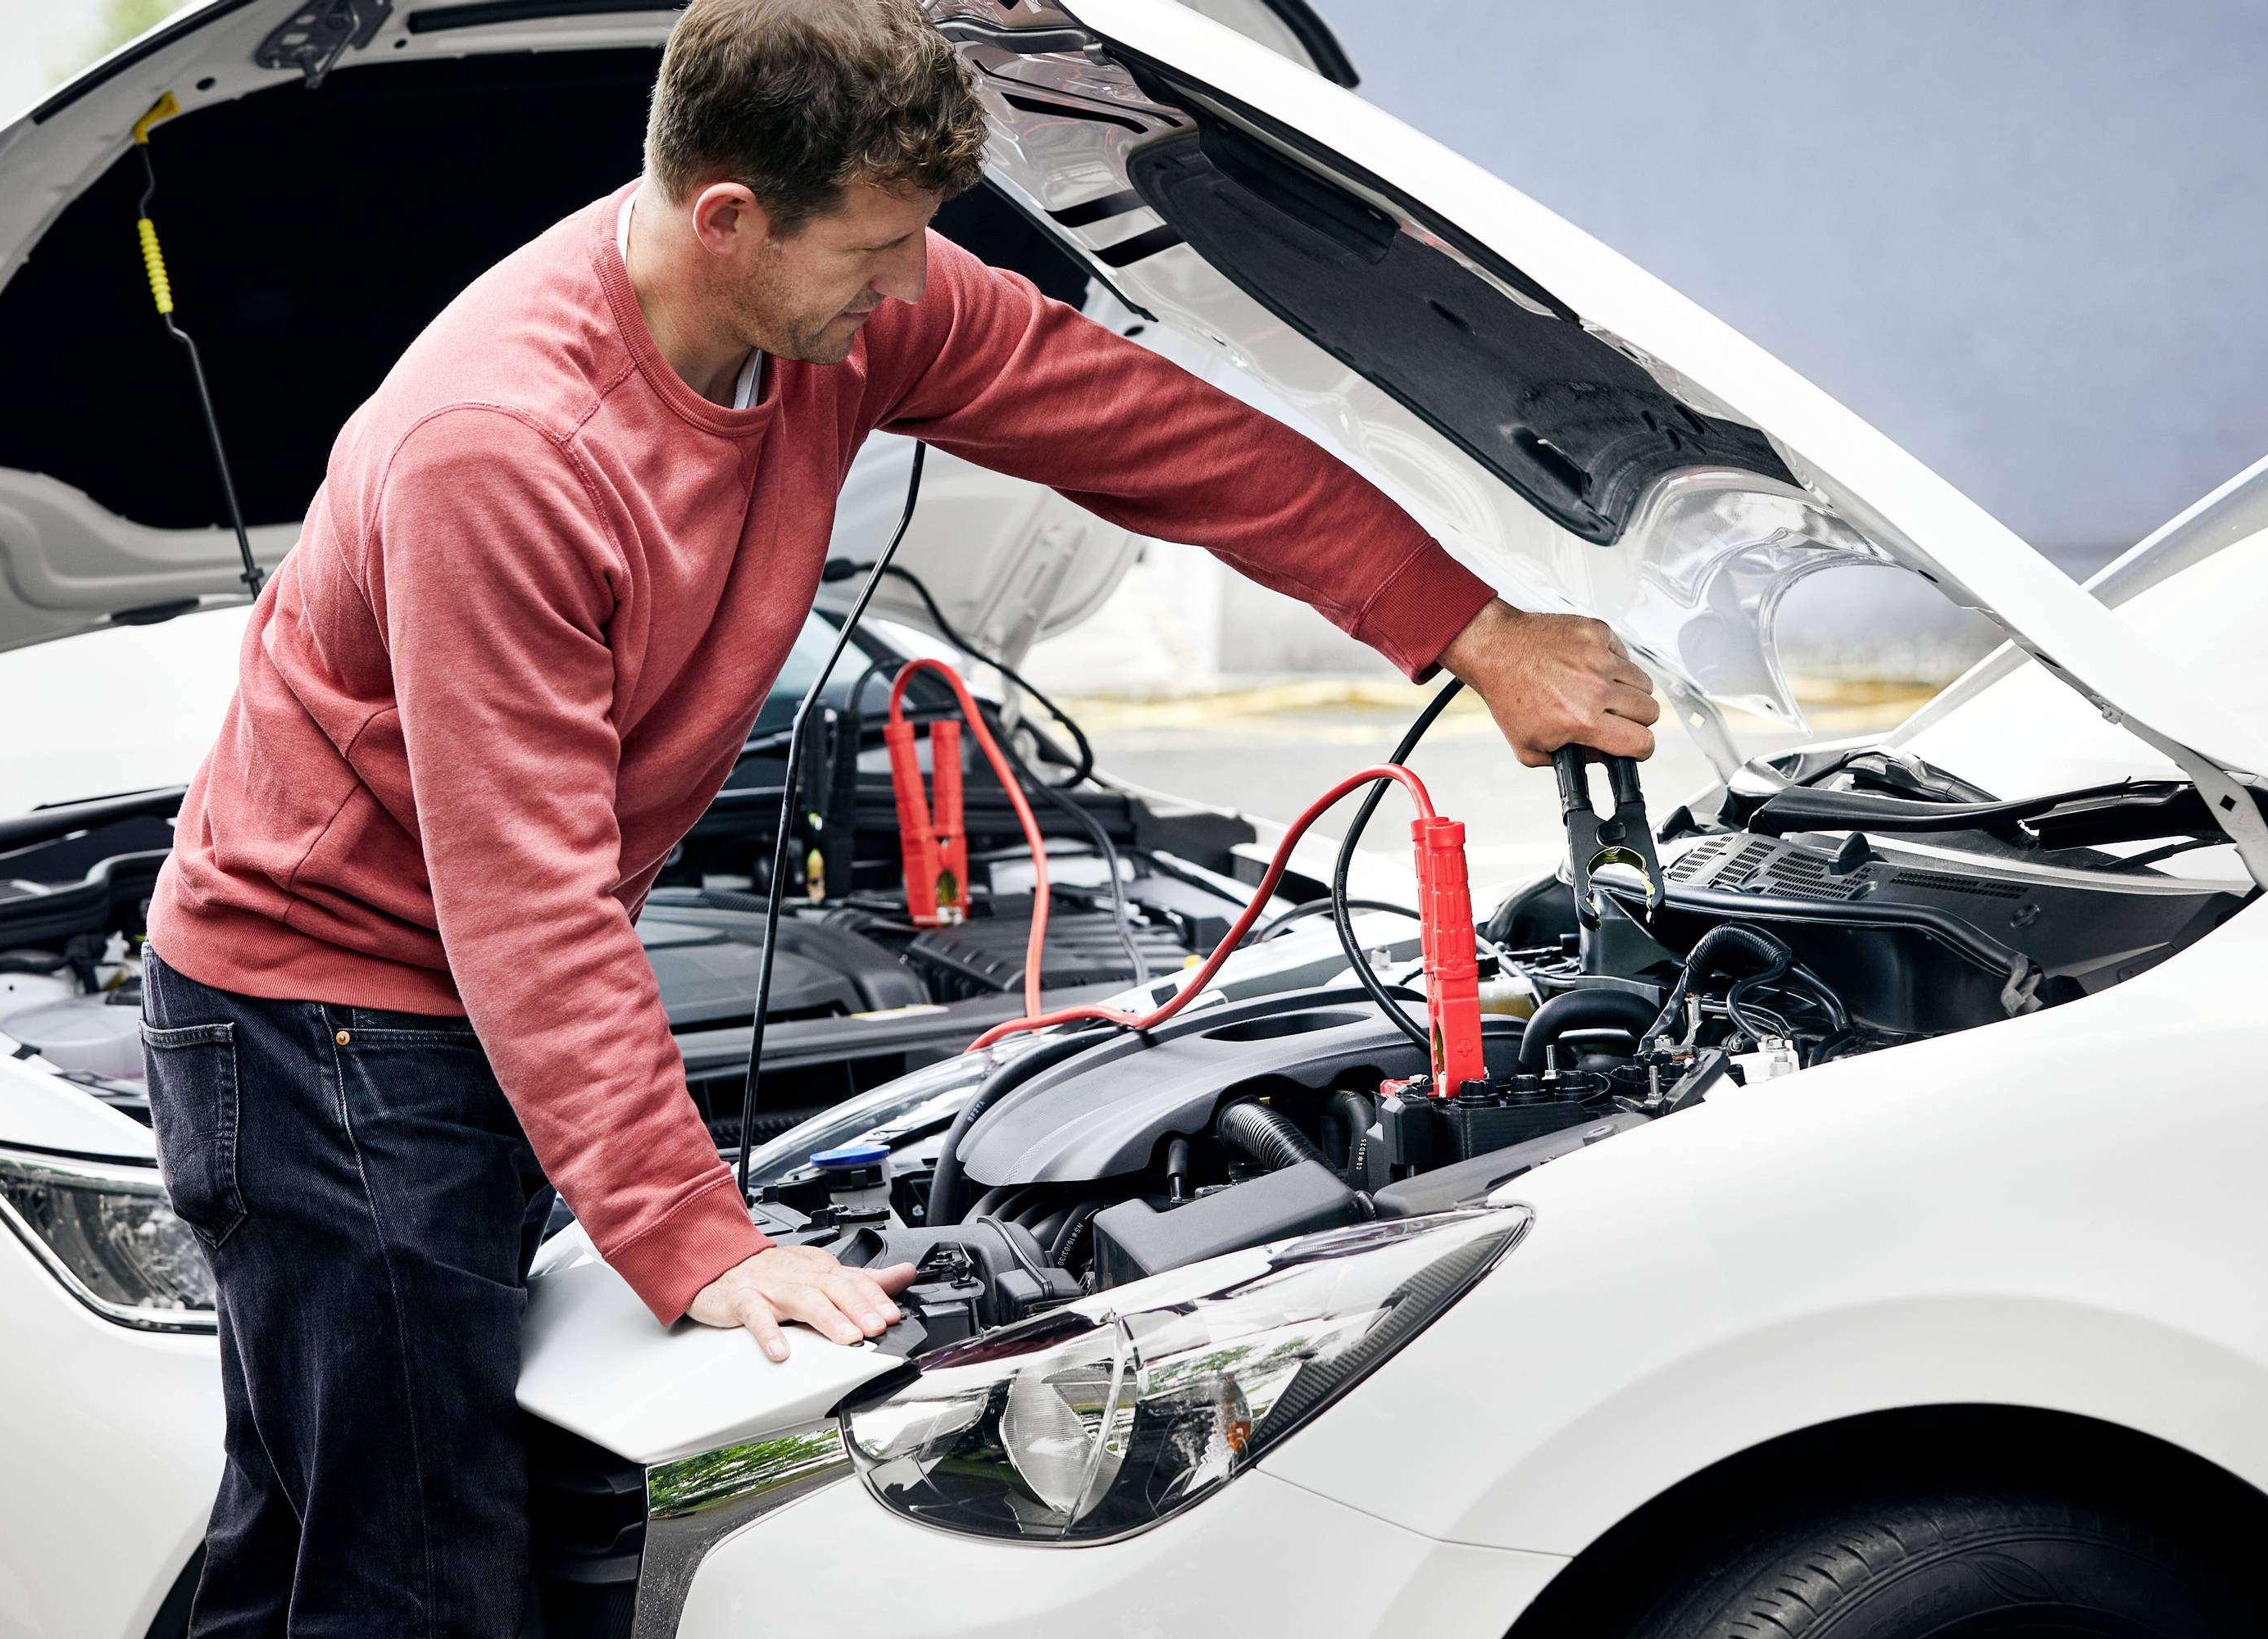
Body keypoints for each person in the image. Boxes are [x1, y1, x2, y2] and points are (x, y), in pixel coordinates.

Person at [137, 0, 1660, 1630]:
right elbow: (526, 896)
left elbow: (1157, 433)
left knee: (315, 1534)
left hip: (440, 1006)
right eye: (876, 248)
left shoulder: (843, 314)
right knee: (413, 1578)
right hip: (326, 1022)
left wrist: (1470, 625)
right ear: (729, 219)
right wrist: (695, 1235)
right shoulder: (503, 452)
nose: (913, 286)